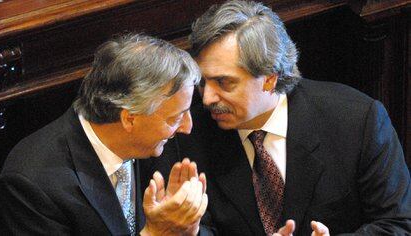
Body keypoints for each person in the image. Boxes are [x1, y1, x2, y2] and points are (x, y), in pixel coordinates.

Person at [149, 0, 411, 235]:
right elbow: (199, 229)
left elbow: (398, 224)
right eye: (203, 82)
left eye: (224, 83)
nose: (207, 98)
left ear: (270, 78)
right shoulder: (186, 133)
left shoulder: (357, 121)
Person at [0, 33, 210, 235]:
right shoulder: (31, 186)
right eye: (175, 118)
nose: (186, 127)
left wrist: (185, 228)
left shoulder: (159, 145)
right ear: (129, 118)